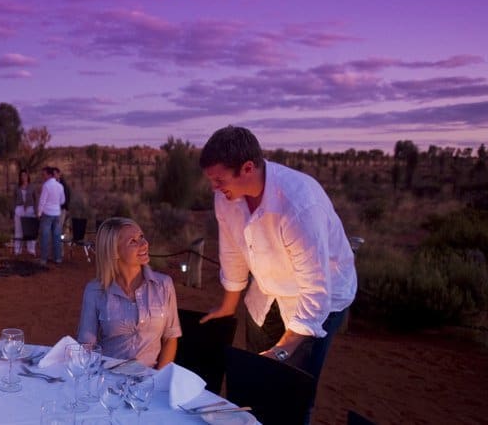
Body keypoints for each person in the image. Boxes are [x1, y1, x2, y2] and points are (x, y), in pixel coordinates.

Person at [198, 125, 356, 383]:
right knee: (257, 379)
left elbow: (316, 288)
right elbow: (232, 251)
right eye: (211, 180)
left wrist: (282, 351)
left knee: (291, 390)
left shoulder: (298, 204)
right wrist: (228, 306)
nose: (215, 188)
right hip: (267, 292)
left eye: (220, 180)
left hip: (319, 300)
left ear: (248, 168)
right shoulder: (226, 198)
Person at [77, 217, 180, 369]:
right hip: (108, 378)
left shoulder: (164, 285)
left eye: (141, 237)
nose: (144, 244)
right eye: (133, 241)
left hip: (150, 380)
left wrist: (158, 379)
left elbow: (171, 338)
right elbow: (87, 345)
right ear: (114, 251)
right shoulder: (95, 291)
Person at [36, 166, 65, 264]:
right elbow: (62, 200)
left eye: (44, 174)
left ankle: (44, 258)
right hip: (56, 213)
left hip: (47, 213)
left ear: (49, 174)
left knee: (45, 236)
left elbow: (42, 201)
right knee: (56, 236)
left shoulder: (46, 186)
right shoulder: (60, 186)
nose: (43, 176)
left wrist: (39, 213)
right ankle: (58, 258)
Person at [12, 169, 37, 255]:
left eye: (25, 175)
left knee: (30, 230)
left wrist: (36, 211)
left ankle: (31, 249)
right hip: (19, 208)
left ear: (28, 176)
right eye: (22, 175)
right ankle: (17, 250)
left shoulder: (32, 187)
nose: (23, 177)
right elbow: (14, 199)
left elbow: (35, 199)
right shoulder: (17, 187)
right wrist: (13, 210)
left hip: (30, 208)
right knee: (18, 229)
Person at [54, 167, 71, 235]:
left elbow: (67, 197)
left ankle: (58, 244)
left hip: (61, 209)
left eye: (55, 174)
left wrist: (66, 208)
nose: (54, 175)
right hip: (53, 209)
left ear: (59, 174)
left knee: (59, 228)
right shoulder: (51, 184)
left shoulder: (63, 185)